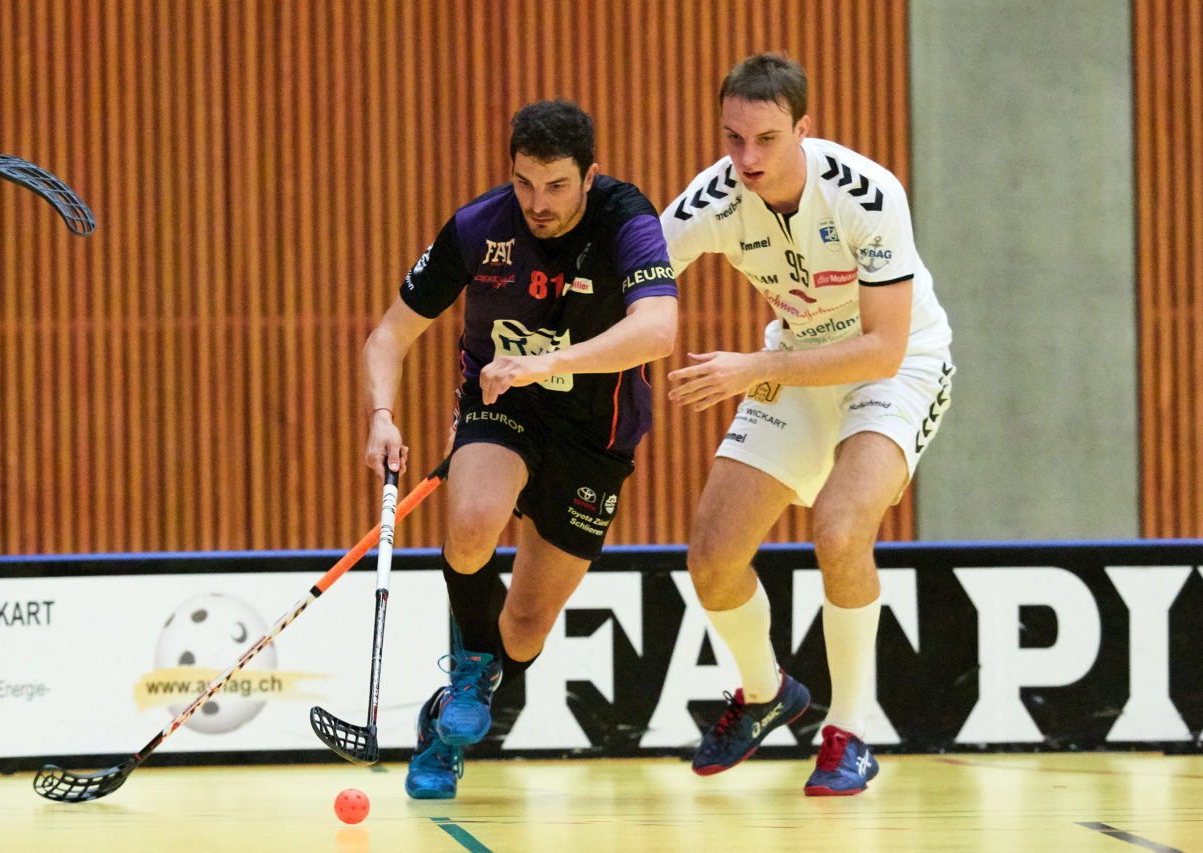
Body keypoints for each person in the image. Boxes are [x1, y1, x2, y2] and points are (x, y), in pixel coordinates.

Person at [360, 99, 679, 799]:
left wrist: (545, 362)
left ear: (589, 175)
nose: (538, 203)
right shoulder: (479, 228)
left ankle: (443, 722)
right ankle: (468, 677)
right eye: (524, 182)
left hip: (596, 433)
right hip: (500, 403)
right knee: (473, 521)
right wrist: (382, 416)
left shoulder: (627, 218)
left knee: (527, 629)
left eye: (557, 185)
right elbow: (388, 336)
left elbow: (658, 330)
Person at [659, 52, 953, 795]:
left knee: (841, 527)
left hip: (898, 368)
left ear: (803, 129)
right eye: (733, 139)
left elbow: (883, 349)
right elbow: (635, 284)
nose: (747, 159)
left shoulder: (866, 193)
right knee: (712, 557)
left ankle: (849, 732)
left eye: (766, 139)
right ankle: (765, 693)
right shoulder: (715, 199)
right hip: (794, 363)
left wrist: (752, 368)